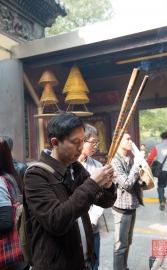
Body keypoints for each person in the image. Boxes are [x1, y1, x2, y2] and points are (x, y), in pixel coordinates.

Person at [24, 112, 117, 270]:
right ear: (55, 142)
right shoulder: (35, 175)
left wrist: (107, 185)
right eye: (75, 142)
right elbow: (56, 221)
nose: (81, 148)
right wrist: (93, 183)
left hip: (84, 261)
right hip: (56, 265)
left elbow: (105, 202)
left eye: (82, 141)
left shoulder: (76, 168)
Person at [111, 131, 144, 270]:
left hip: (131, 205)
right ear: (118, 142)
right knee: (120, 245)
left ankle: (124, 267)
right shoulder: (114, 161)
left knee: (127, 242)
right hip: (121, 208)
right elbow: (126, 183)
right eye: (127, 139)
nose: (131, 142)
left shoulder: (128, 158)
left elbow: (134, 180)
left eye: (131, 139)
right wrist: (136, 165)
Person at [78, 124, 104, 270]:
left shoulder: (97, 166)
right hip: (74, 226)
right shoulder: (70, 165)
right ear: (81, 141)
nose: (95, 146)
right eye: (92, 142)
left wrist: (93, 221)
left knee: (93, 263)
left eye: (97, 142)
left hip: (92, 225)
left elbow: (100, 197)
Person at [0, 137, 26, 270]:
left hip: (6, 257)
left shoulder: (0, 182)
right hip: (18, 255)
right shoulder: (11, 176)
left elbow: (6, 222)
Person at [147, 132, 167, 212]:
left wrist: (147, 167)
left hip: (161, 171)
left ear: (161, 138)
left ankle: (162, 200)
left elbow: (150, 158)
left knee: (161, 186)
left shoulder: (157, 147)